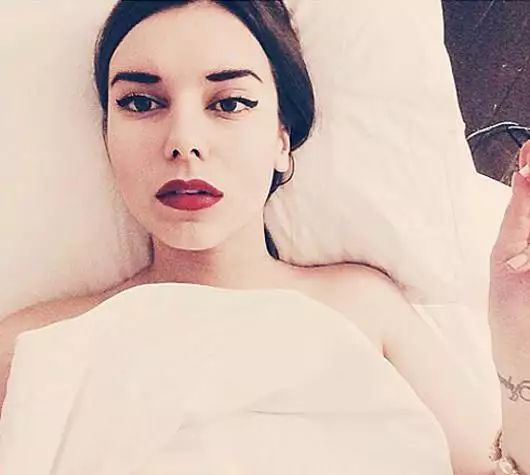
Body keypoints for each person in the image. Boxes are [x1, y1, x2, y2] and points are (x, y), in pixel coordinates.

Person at [0, 1, 525, 473]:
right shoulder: (32, 347)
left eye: (230, 103)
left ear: (281, 139)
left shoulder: (365, 306)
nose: (184, 142)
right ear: (107, 136)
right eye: (140, 103)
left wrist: (514, 338)